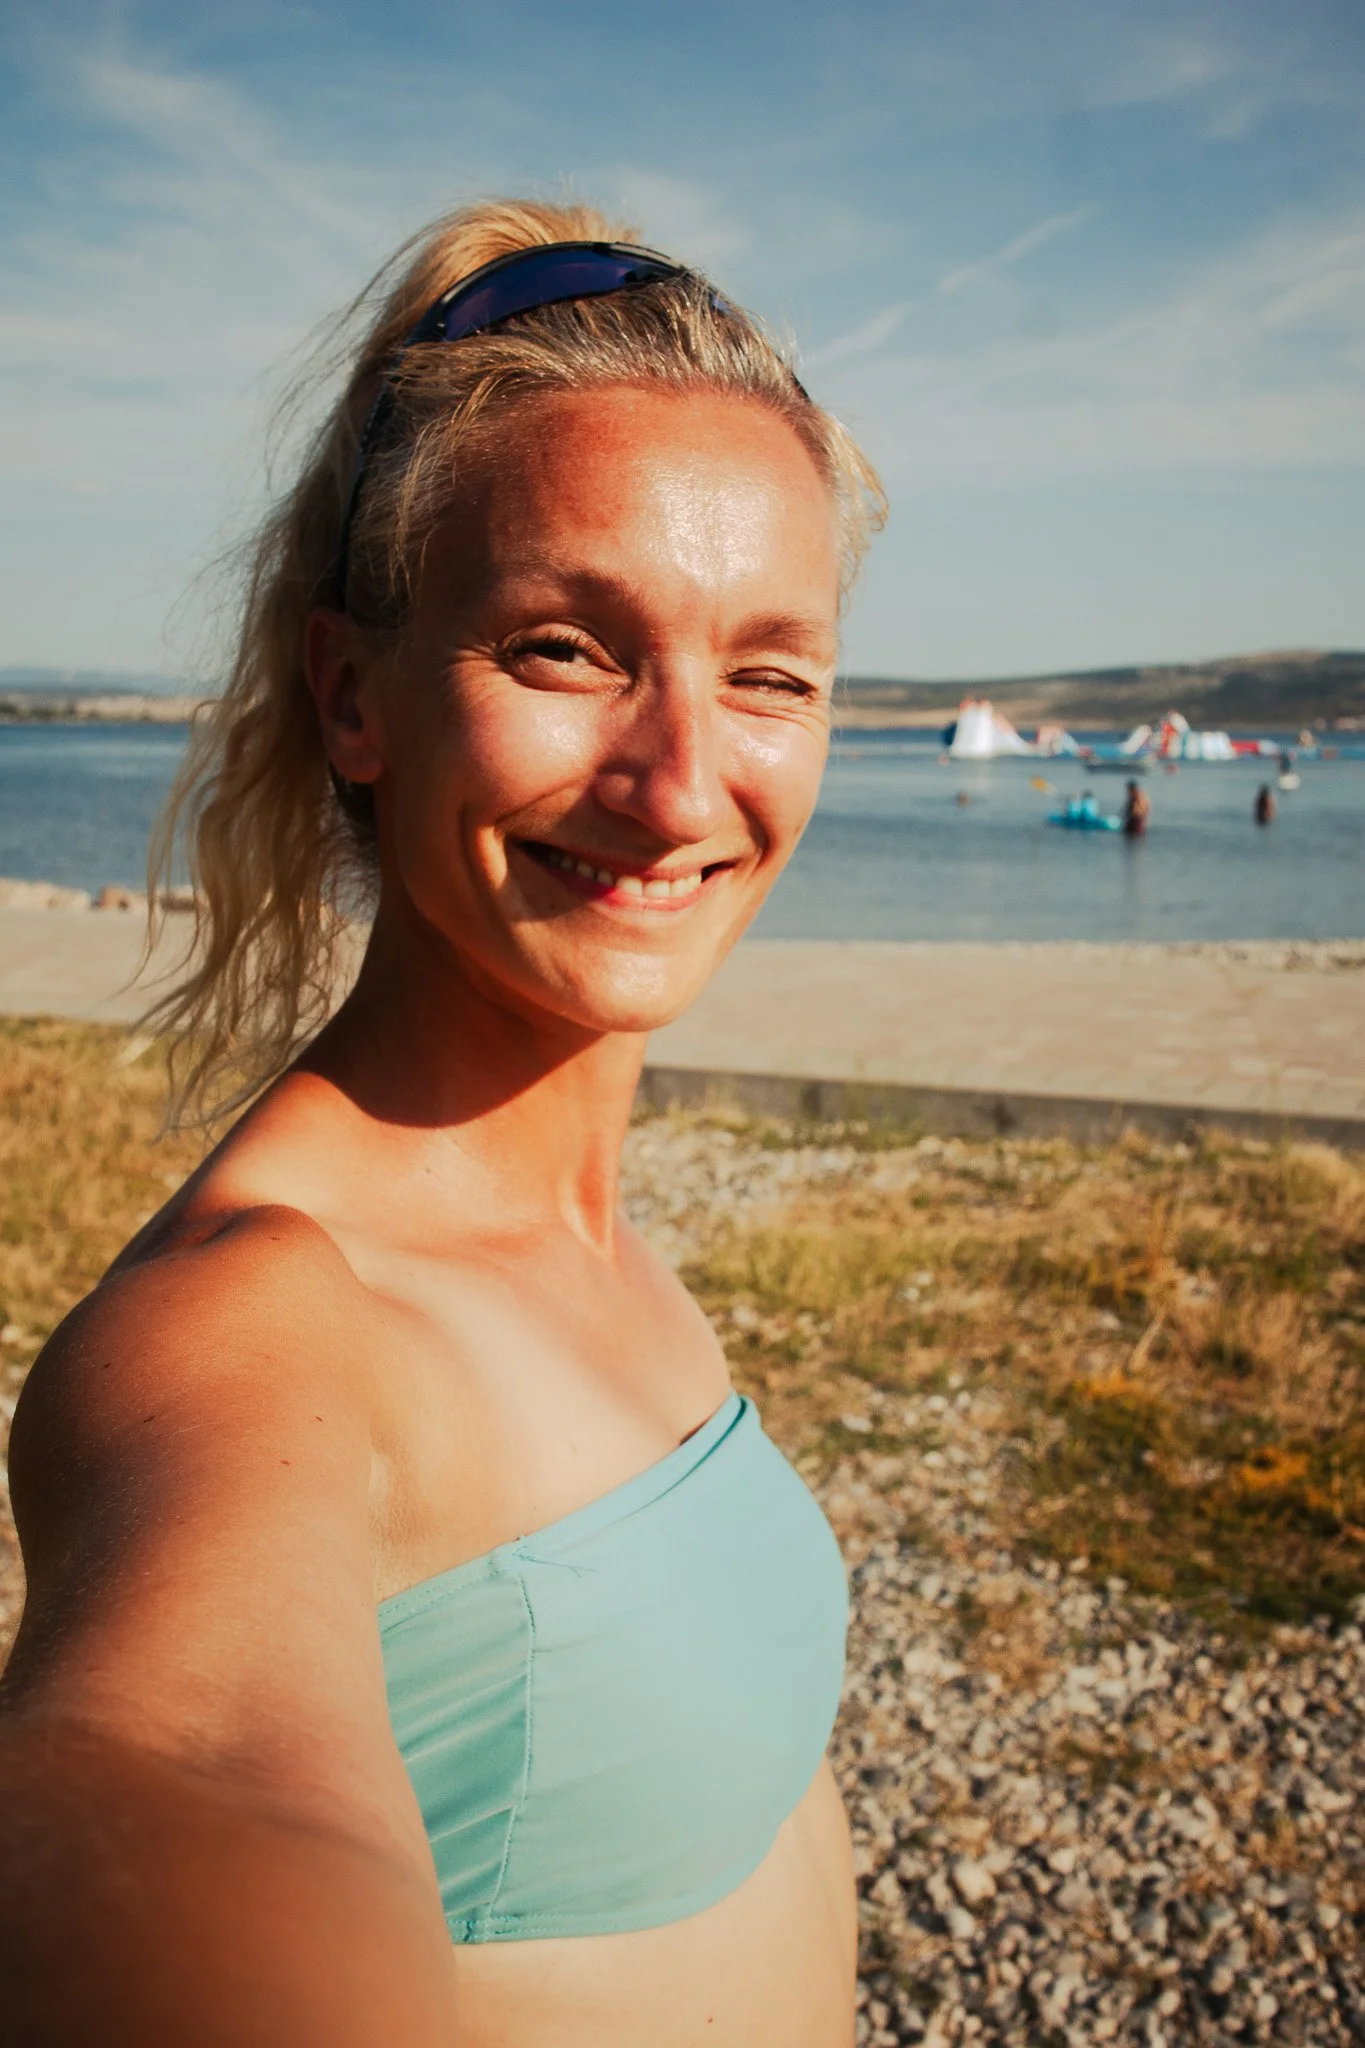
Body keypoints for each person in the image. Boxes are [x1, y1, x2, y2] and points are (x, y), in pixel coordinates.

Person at [0, 200, 884, 2046]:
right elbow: (178, 1767)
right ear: (353, 694)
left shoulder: (582, 1232)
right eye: (566, 650)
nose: (681, 781)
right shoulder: (251, 1319)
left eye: (771, 674)